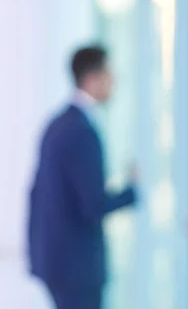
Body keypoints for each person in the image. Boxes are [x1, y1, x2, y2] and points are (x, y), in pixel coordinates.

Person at [28, 45, 138, 309]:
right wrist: (131, 191)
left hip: (58, 262)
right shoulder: (81, 130)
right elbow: (92, 205)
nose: (114, 82)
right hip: (76, 268)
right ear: (92, 78)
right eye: (109, 75)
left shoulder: (59, 123)